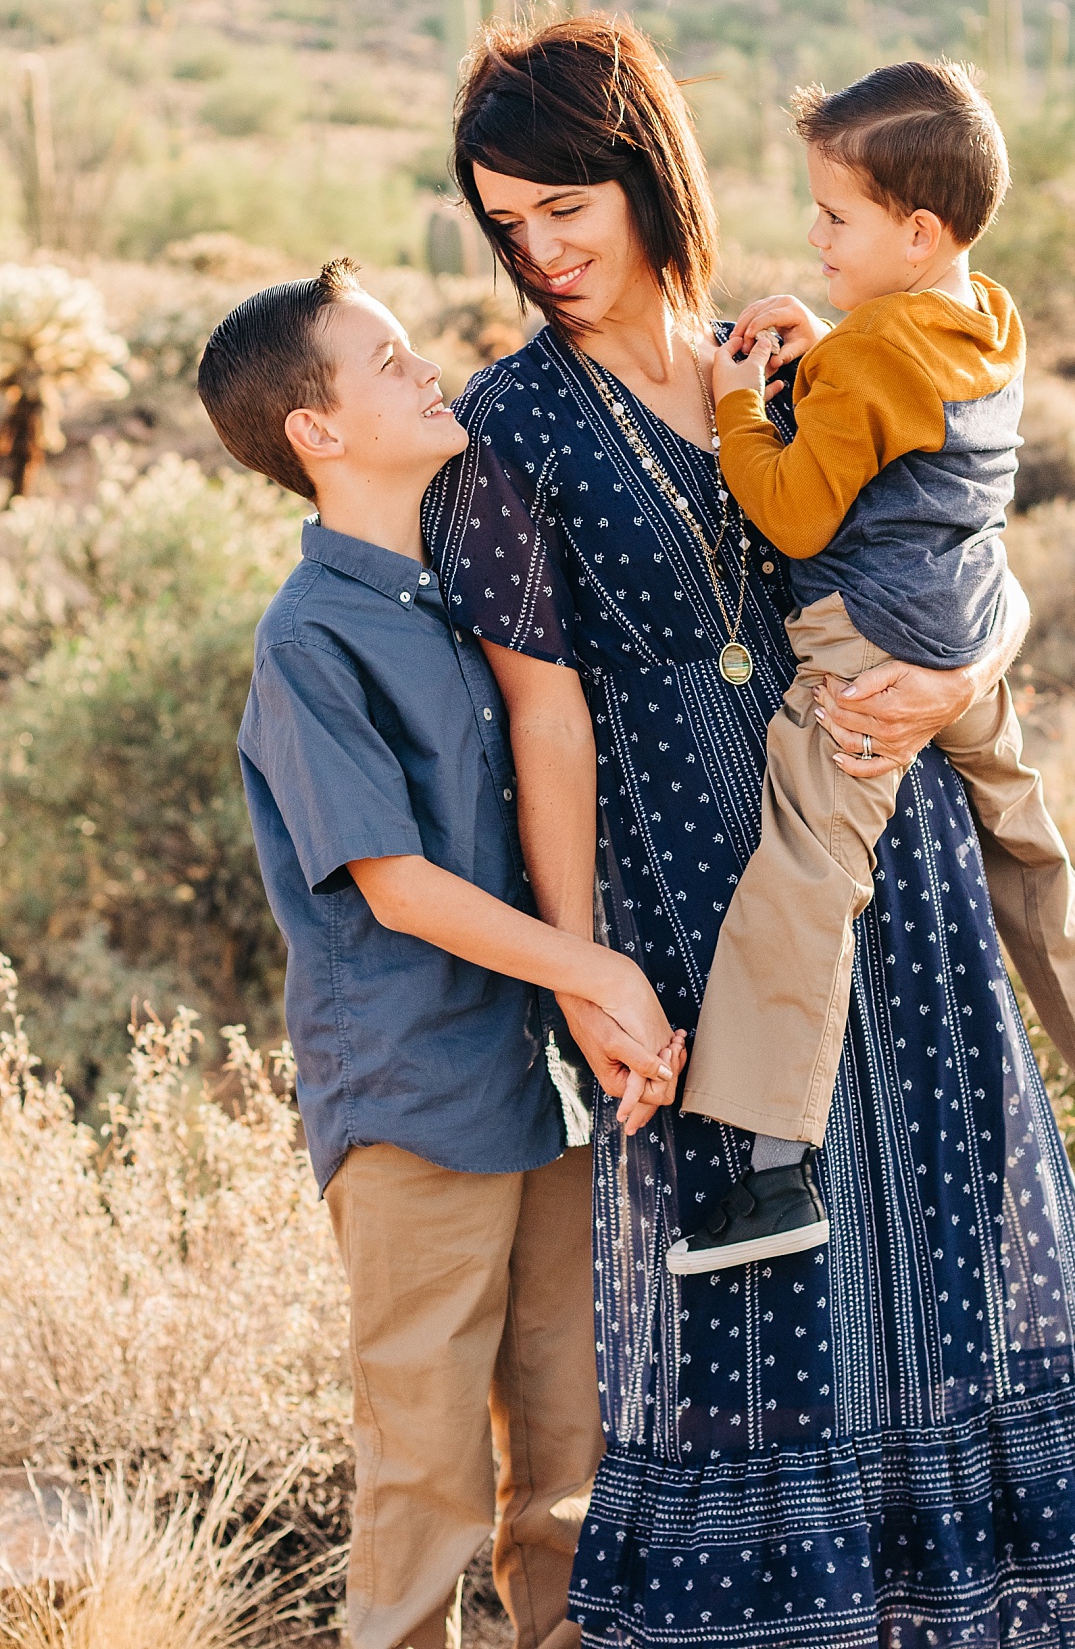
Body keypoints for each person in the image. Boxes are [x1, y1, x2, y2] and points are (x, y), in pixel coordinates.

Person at [426, 14, 1075, 1649]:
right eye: (508, 225)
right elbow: (542, 719)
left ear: (644, 174)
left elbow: (960, 563)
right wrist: (582, 970)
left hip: (889, 876)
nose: (541, 251)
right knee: (752, 1316)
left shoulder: (807, 356)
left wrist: (965, 672)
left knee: (940, 1277)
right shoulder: (508, 430)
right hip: (698, 923)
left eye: (565, 206)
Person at [196, 260, 684, 1649]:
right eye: (390, 358)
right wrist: (593, 974)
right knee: (425, 1483)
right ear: (319, 431)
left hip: (542, 1098)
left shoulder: (466, 600)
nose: (428, 370)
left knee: (570, 1475)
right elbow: (398, 887)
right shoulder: (309, 639)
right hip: (413, 1104)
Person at [673, 60, 1075, 1275]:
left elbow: (795, 514)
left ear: (915, 228)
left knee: (808, 868)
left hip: (865, 642)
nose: (814, 235)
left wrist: (745, 406)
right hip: (962, 629)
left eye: (835, 218)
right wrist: (836, 340)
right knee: (1023, 824)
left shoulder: (861, 361)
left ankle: (772, 1173)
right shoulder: (989, 316)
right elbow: (902, 386)